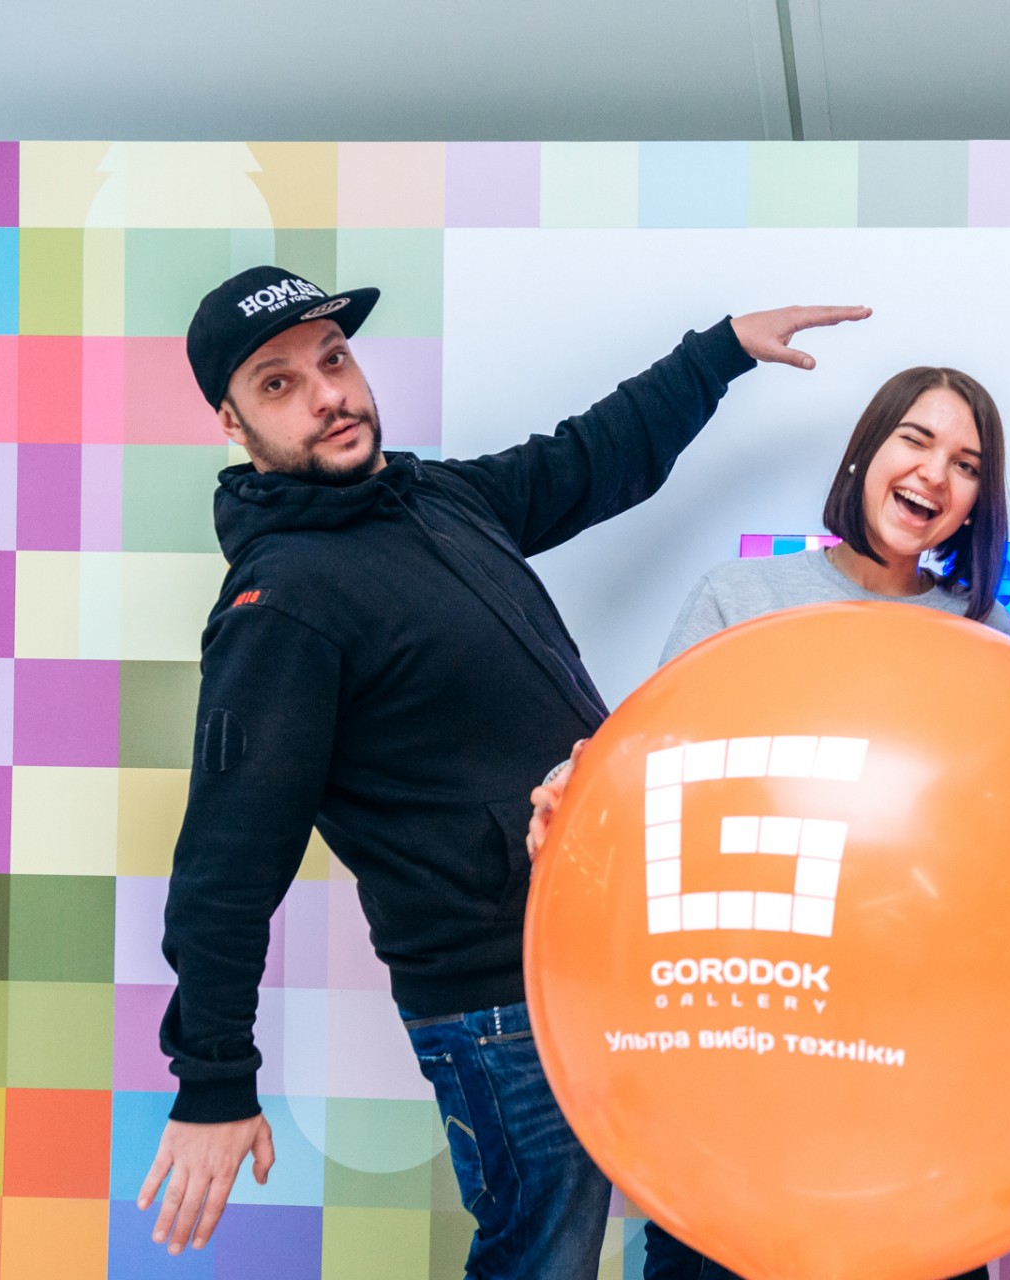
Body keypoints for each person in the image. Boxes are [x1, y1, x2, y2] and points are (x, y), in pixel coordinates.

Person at [136, 262, 868, 1280]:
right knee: (543, 1259)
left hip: (613, 952)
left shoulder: (435, 498)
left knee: (702, 1217)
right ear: (233, 420)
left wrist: (720, 351)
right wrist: (214, 1080)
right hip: (498, 1007)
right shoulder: (284, 603)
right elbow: (227, 861)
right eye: (279, 383)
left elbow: (588, 458)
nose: (327, 396)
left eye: (334, 360)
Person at [528, 365, 1010, 1280]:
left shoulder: (983, 639)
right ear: (866, 452)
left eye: (967, 464)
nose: (935, 473)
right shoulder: (741, 598)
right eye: (915, 439)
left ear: (973, 506)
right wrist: (568, 789)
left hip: (910, 1055)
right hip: (745, 1033)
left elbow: (999, 847)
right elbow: (649, 762)